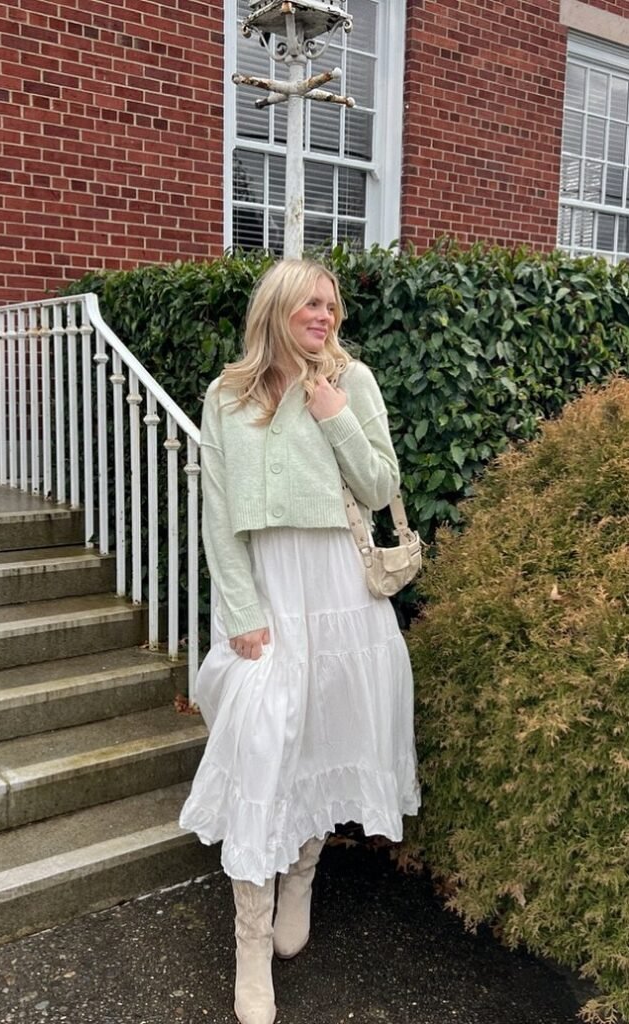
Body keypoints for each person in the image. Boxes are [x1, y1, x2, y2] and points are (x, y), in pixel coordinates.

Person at [179, 259, 420, 1024]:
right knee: (262, 748)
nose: (324, 314)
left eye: (331, 304)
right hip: (270, 596)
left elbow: (382, 486)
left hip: (342, 593)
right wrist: (241, 610)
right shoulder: (226, 396)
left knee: (320, 736)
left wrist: (334, 414)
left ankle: (302, 878)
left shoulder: (353, 379)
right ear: (276, 309)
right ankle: (251, 948)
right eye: (310, 303)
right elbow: (219, 515)